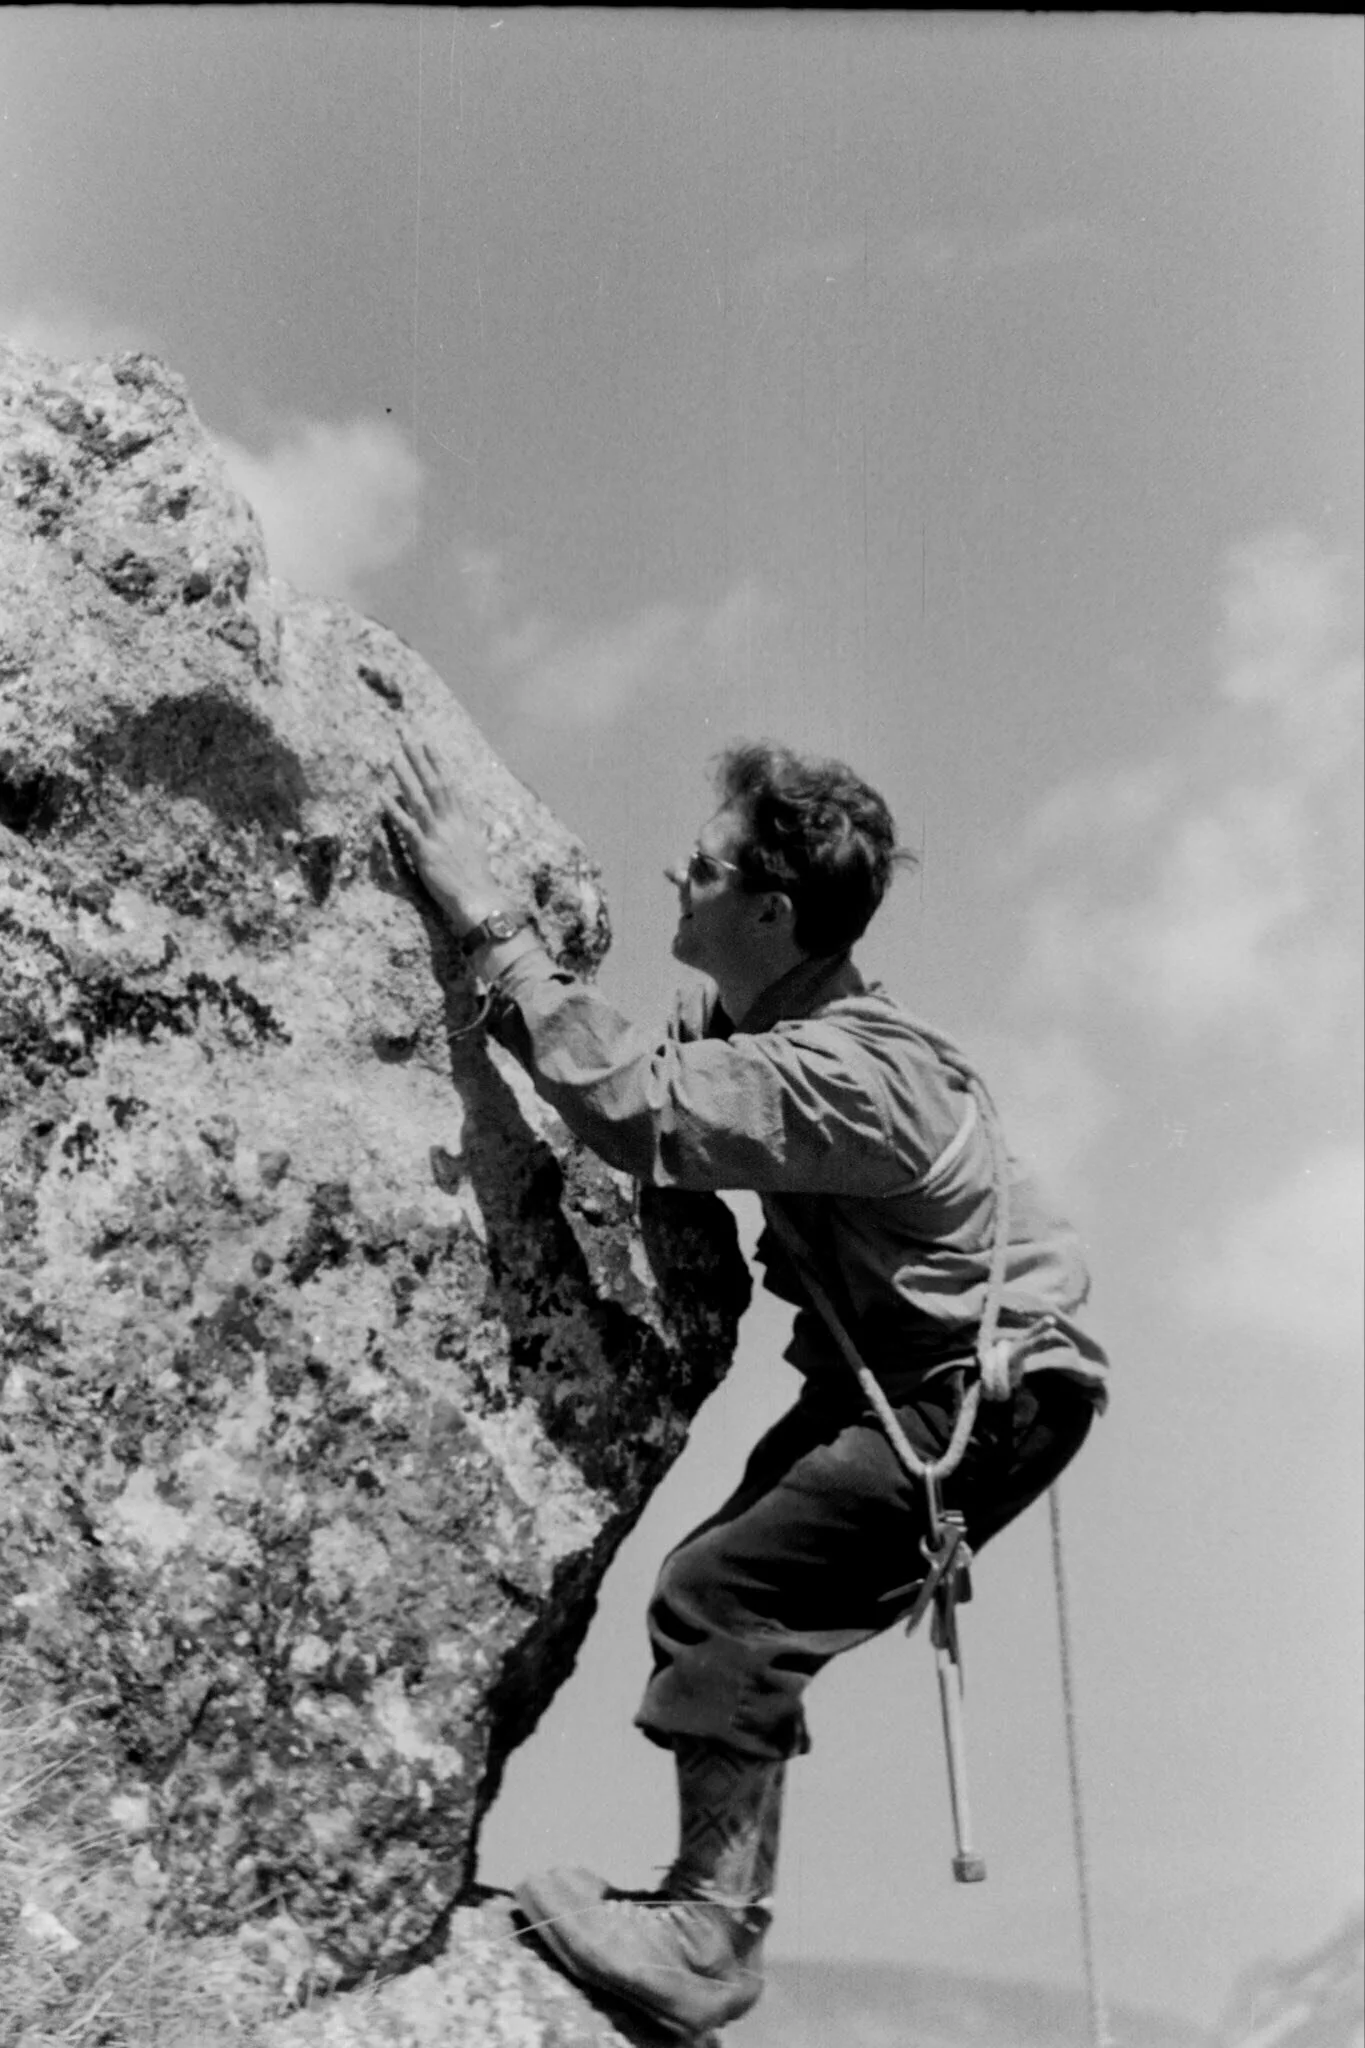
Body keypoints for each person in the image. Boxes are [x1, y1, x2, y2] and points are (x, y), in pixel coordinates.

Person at [382, 731, 1108, 2042]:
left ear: (769, 913)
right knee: (726, 1585)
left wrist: (485, 916)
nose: (681, 870)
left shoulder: (846, 1073)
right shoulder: (785, 1023)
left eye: (708, 866)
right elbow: (681, 1066)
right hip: (933, 1381)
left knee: (722, 1590)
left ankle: (708, 1935)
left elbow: (644, 1111)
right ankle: (705, 1921)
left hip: (972, 1400)